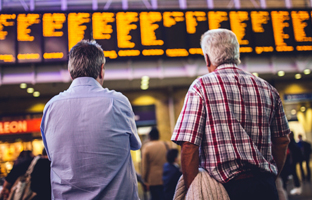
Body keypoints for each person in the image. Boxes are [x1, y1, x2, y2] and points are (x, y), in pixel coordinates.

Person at [171, 29, 290, 200]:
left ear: (207, 58)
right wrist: (271, 177)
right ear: (236, 53)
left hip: (224, 190)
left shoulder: (200, 87)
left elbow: (189, 146)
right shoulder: (268, 89)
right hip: (265, 186)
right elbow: (282, 140)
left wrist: (194, 190)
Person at [40, 40, 142, 200]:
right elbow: (135, 145)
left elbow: (52, 153)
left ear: (70, 71)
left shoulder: (51, 107)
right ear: (101, 70)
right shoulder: (118, 102)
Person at [141, 127, 169, 200]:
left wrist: (144, 180)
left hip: (153, 179)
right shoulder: (166, 145)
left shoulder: (147, 147)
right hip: (166, 177)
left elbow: (145, 166)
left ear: (150, 136)